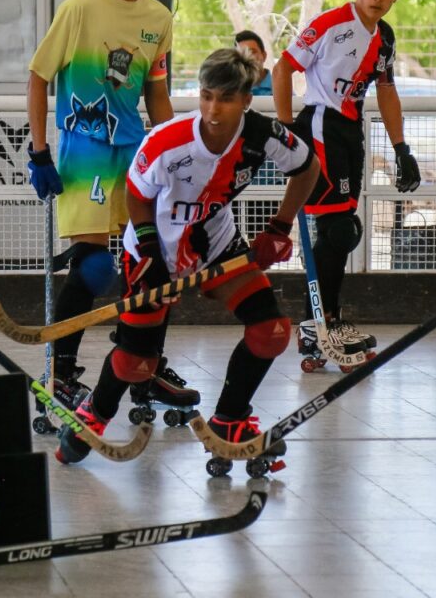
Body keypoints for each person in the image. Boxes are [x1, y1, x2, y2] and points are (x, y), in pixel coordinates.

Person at [58, 47, 319, 464]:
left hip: (216, 246)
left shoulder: (262, 135)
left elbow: (308, 168)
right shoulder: (168, 141)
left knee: (271, 330)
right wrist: (149, 256)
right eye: (206, 96)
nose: (213, 110)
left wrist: (279, 227)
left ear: (247, 100)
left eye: (227, 99)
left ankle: (229, 420)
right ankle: (95, 414)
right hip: (150, 247)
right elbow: (136, 198)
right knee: (137, 363)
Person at [25, 0, 175, 410]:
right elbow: (38, 77)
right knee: (90, 266)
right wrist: (39, 150)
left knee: (152, 259)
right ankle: (61, 372)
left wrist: (170, 151)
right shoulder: (78, 9)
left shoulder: (158, 18)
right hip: (83, 150)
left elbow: (156, 92)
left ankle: (144, 364)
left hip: (134, 150)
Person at [272, 0, 421, 359]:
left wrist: (401, 147)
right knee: (337, 229)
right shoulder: (330, 24)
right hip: (320, 123)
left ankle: (325, 321)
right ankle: (317, 324)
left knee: (345, 229)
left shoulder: (385, 37)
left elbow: (386, 90)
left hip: (350, 132)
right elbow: (283, 69)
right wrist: (288, 127)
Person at [235, 29, 273, 95]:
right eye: (242, 52)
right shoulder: (230, 88)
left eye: (252, 52)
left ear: (264, 56)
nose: (248, 56)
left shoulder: (281, 88)